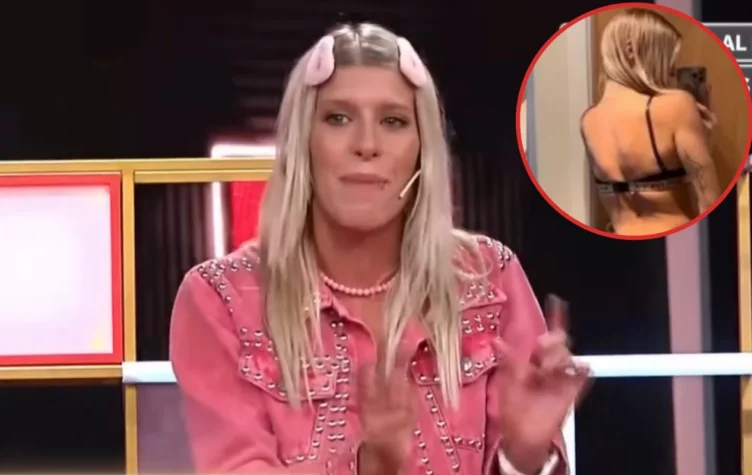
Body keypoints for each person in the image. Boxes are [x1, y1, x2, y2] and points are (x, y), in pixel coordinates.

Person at [170, 22, 590, 475]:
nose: (366, 145)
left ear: (422, 150)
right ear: (301, 143)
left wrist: (523, 456)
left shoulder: (490, 277)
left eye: (393, 121)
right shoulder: (221, 299)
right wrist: (370, 466)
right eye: (338, 118)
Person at [580, 7, 719, 236]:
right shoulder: (675, 104)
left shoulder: (588, 120)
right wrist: (706, 143)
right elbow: (709, 201)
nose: (670, 75)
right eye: (667, 63)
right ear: (631, 50)